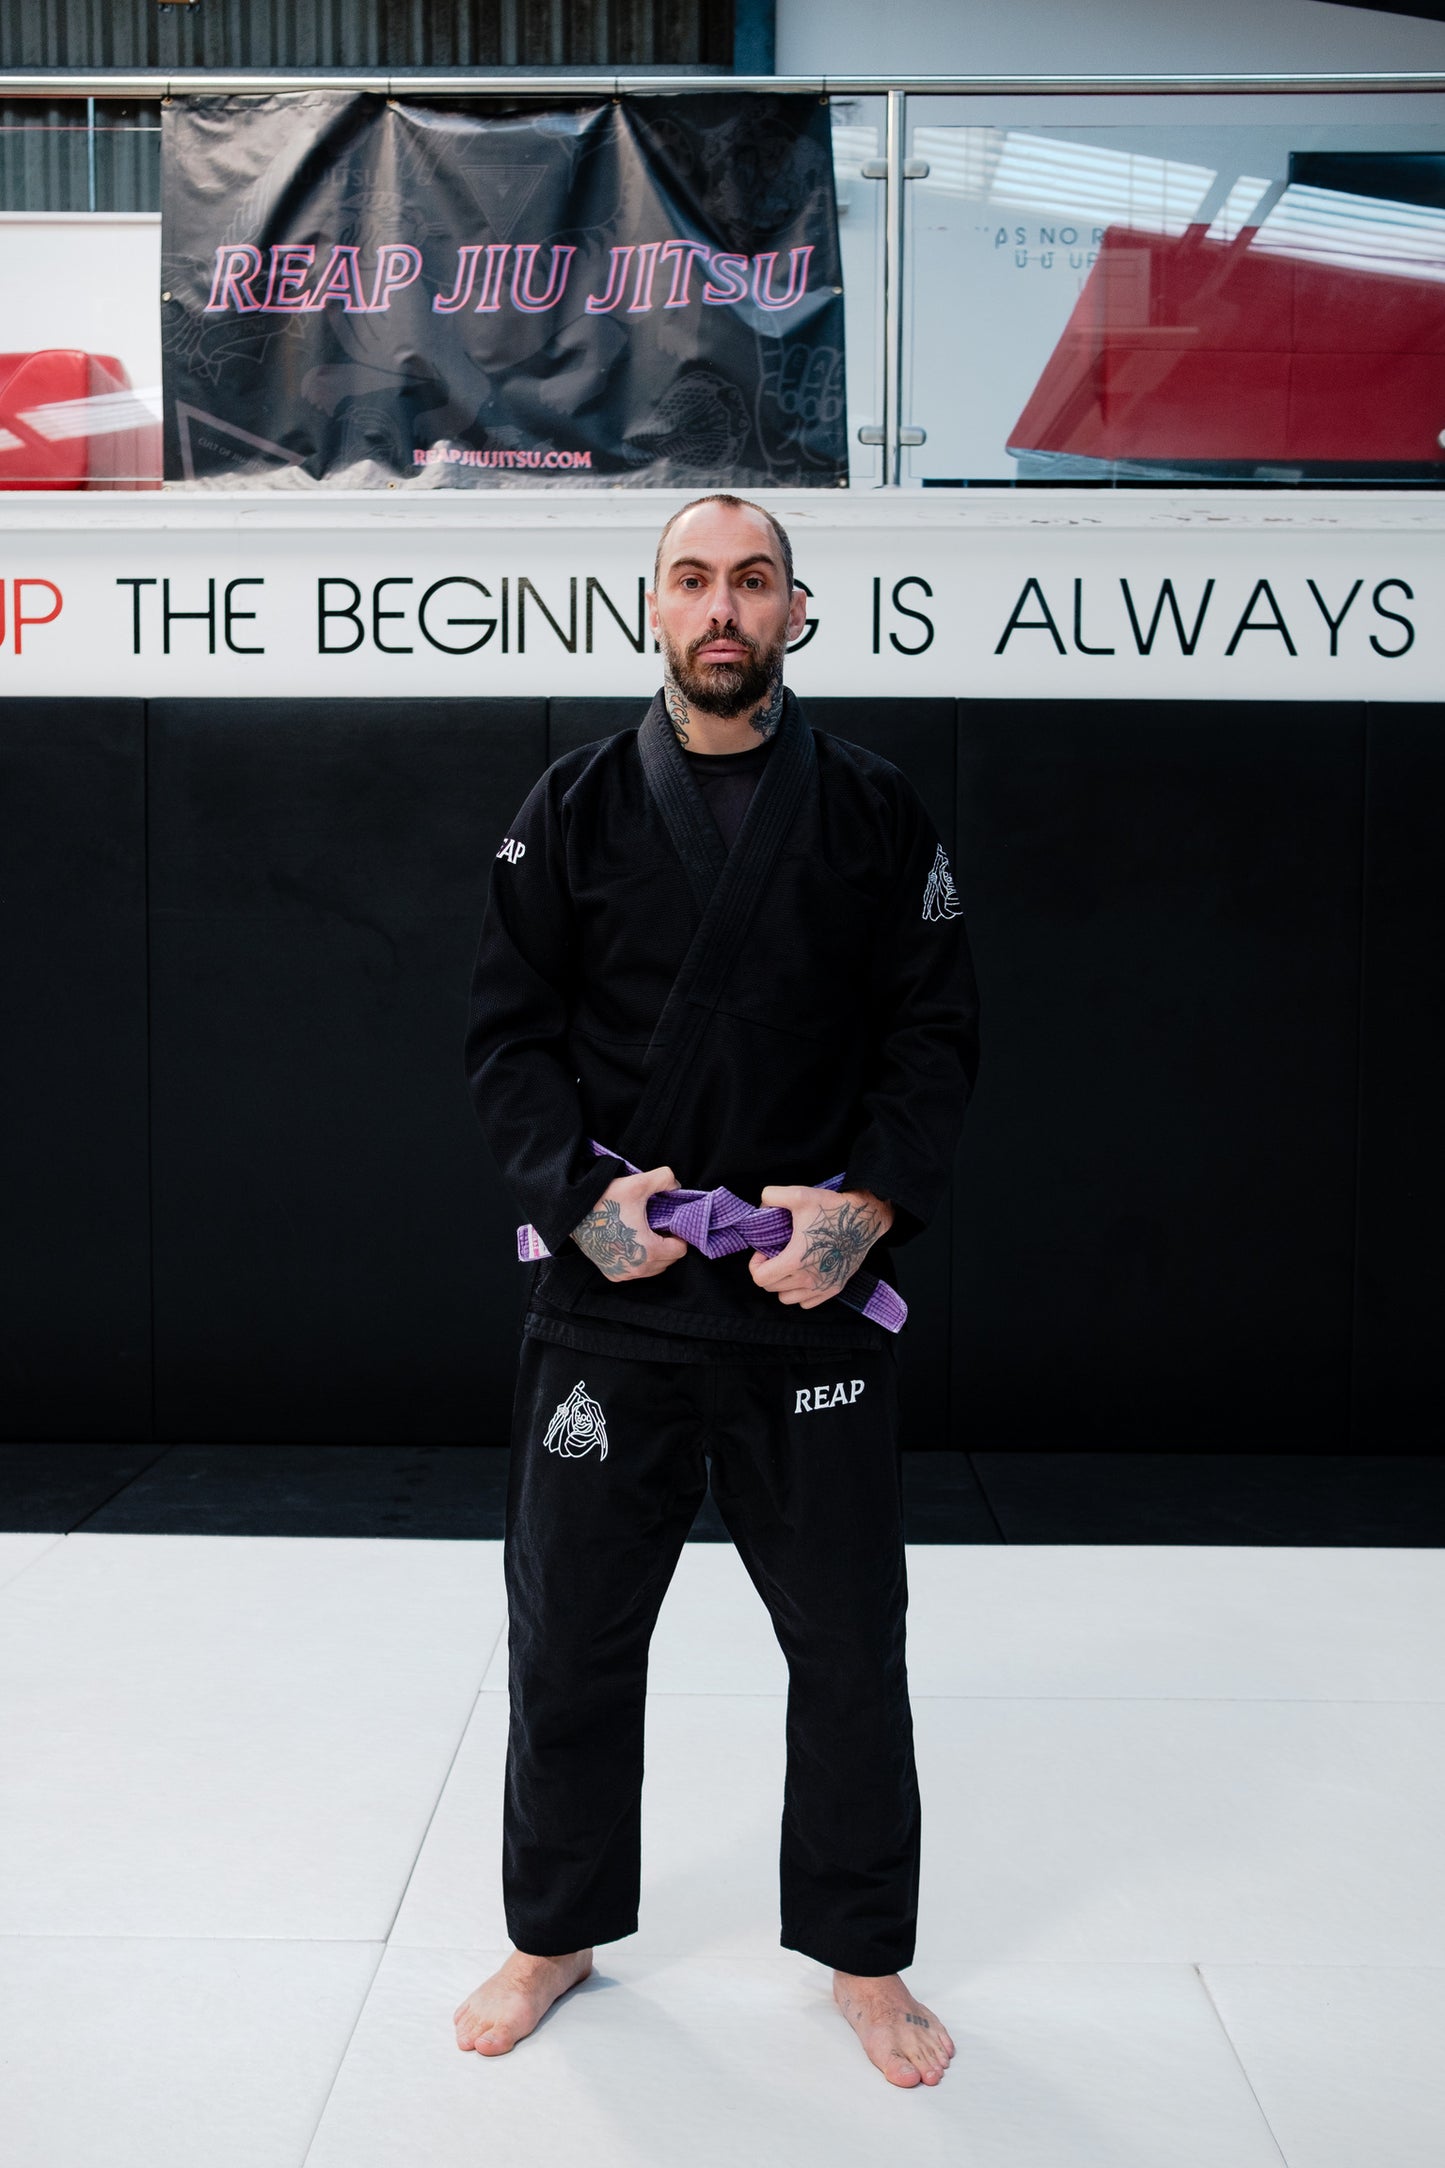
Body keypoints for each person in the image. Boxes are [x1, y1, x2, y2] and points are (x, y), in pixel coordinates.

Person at [455, 493, 980, 2088]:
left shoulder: (877, 813)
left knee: (844, 1642)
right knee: (565, 1641)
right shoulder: (576, 803)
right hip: (614, 1296)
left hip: (802, 1299)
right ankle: (554, 1930)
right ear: (655, 609)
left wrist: (868, 1205)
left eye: (752, 580)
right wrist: (577, 1200)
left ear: (797, 613)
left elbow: (933, 1039)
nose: (722, 607)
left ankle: (863, 1957)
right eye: (694, 580)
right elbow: (506, 1041)